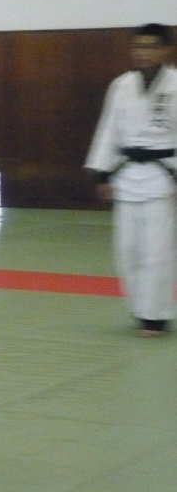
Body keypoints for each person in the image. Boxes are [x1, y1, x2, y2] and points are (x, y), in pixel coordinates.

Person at [84, 23, 177, 338]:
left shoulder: (175, 85)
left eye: (150, 47)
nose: (143, 53)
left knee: (157, 252)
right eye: (138, 47)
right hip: (126, 176)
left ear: (166, 50)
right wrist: (102, 172)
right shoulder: (121, 85)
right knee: (127, 251)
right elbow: (108, 129)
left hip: (163, 177)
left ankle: (156, 316)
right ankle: (140, 310)